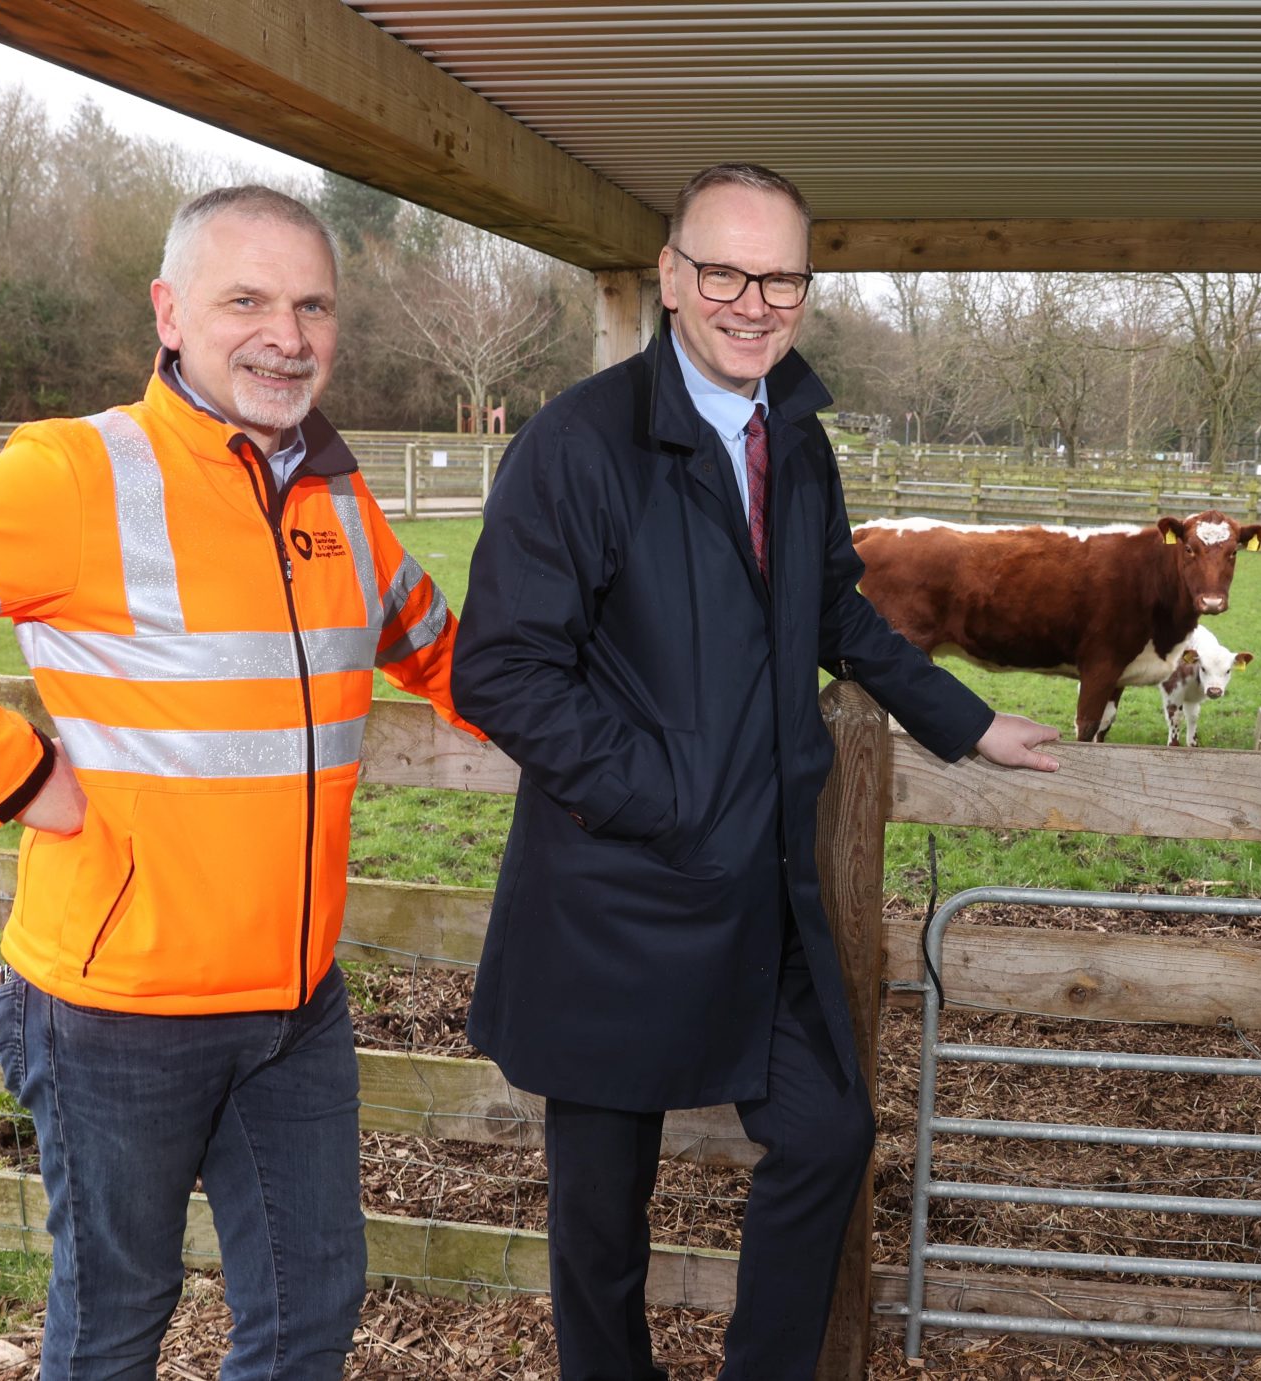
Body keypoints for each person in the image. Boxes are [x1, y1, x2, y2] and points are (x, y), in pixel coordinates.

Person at [0, 185, 480, 1379]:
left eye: (313, 304)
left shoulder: (332, 490)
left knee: (310, 1309)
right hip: (117, 1009)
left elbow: (444, 651)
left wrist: (620, 741)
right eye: (248, 299)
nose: (288, 332)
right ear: (169, 312)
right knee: (118, 1317)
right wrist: (16, 775)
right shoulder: (81, 474)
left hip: (294, 1001)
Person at [452, 162, 1060, 1379]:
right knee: (599, 1229)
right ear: (673, 278)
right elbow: (503, 670)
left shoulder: (797, 438)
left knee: (831, 1135)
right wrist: (663, 796)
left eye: (779, 275)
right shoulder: (580, 445)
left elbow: (832, 604)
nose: (751, 300)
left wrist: (963, 718)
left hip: (759, 894)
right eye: (723, 269)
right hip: (615, 893)